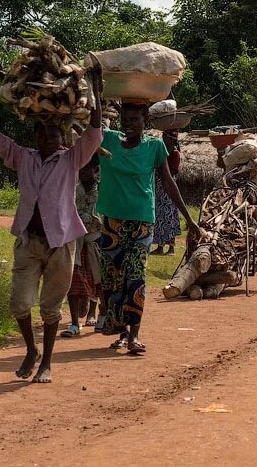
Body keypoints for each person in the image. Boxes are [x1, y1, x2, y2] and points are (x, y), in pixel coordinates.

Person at [0, 66, 103, 384]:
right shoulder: (23, 157)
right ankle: (30, 349)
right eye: (42, 133)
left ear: (62, 136)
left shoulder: (70, 160)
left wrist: (96, 89)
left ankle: (46, 362)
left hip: (61, 243)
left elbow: (94, 134)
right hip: (29, 241)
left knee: (51, 308)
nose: (47, 138)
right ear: (35, 135)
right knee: (19, 303)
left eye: (53, 133)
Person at [97, 103, 194, 354]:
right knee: (112, 278)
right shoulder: (107, 139)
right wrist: (97, 88)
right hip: (111, 221)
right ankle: (121, 331)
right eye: (126, 120)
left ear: (145, 122)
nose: (130, 124)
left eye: (135, 120)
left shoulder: (154, 147)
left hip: (141, 221)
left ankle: (134, 336)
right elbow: (93, 123)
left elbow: (168, 183)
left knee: (136, 276)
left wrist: (189, 219)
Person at [64, 155, 103, 337]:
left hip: (95, 239)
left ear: (96, 170)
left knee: (99, 280)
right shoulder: (72, 188)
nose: (84, 172)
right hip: (75, 240)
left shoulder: (104, 189)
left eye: (88, 168)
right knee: (75, 280)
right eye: (82, 168)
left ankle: (97, 313)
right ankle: (73, 323)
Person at [151, 129, 183, 256]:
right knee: (161, 218)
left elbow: (172, 174)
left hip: (168, 188)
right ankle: (160, 247)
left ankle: (171, 248)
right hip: (159, 188)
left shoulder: (174, 154)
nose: (163, 140)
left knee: (169, 217)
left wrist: (161, 169)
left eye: (165, 138)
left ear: (170, 139)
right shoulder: (162, 152)